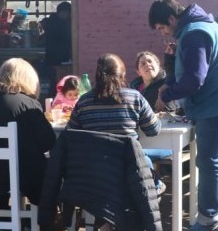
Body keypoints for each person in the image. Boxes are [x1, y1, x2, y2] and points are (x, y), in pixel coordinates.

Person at [149, 0, 218, 231]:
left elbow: (194, 80)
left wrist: (168, 94)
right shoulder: (206, 25)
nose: (164, 34)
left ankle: (208, 221)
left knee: (210, 163)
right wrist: (172, 62)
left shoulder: (193, 34)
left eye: (163, 28)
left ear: (172, 18)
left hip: (215, 105)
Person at [65, 53, 165, 193]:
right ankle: (154, 189)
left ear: (98, 75)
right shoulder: (135, 97)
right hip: (130, 169)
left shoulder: (84, 101)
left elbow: (71, 133)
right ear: (122, 75)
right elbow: (153, 130)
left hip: (94, 171)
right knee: (151, 170)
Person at [0, 58, 55, 205]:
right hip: (17, 176)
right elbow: (48, 141)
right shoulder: (28, 103)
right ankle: (44, 215)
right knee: (44, 167)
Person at [42, 1, 72, 86]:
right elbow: (65, 39)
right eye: (69, 13)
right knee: (58, 84)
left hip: (53, 59)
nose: (70, 16)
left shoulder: (52, 22)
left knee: (54, 83)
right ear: (63, 12)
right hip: (58, 60)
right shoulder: (58, 24)